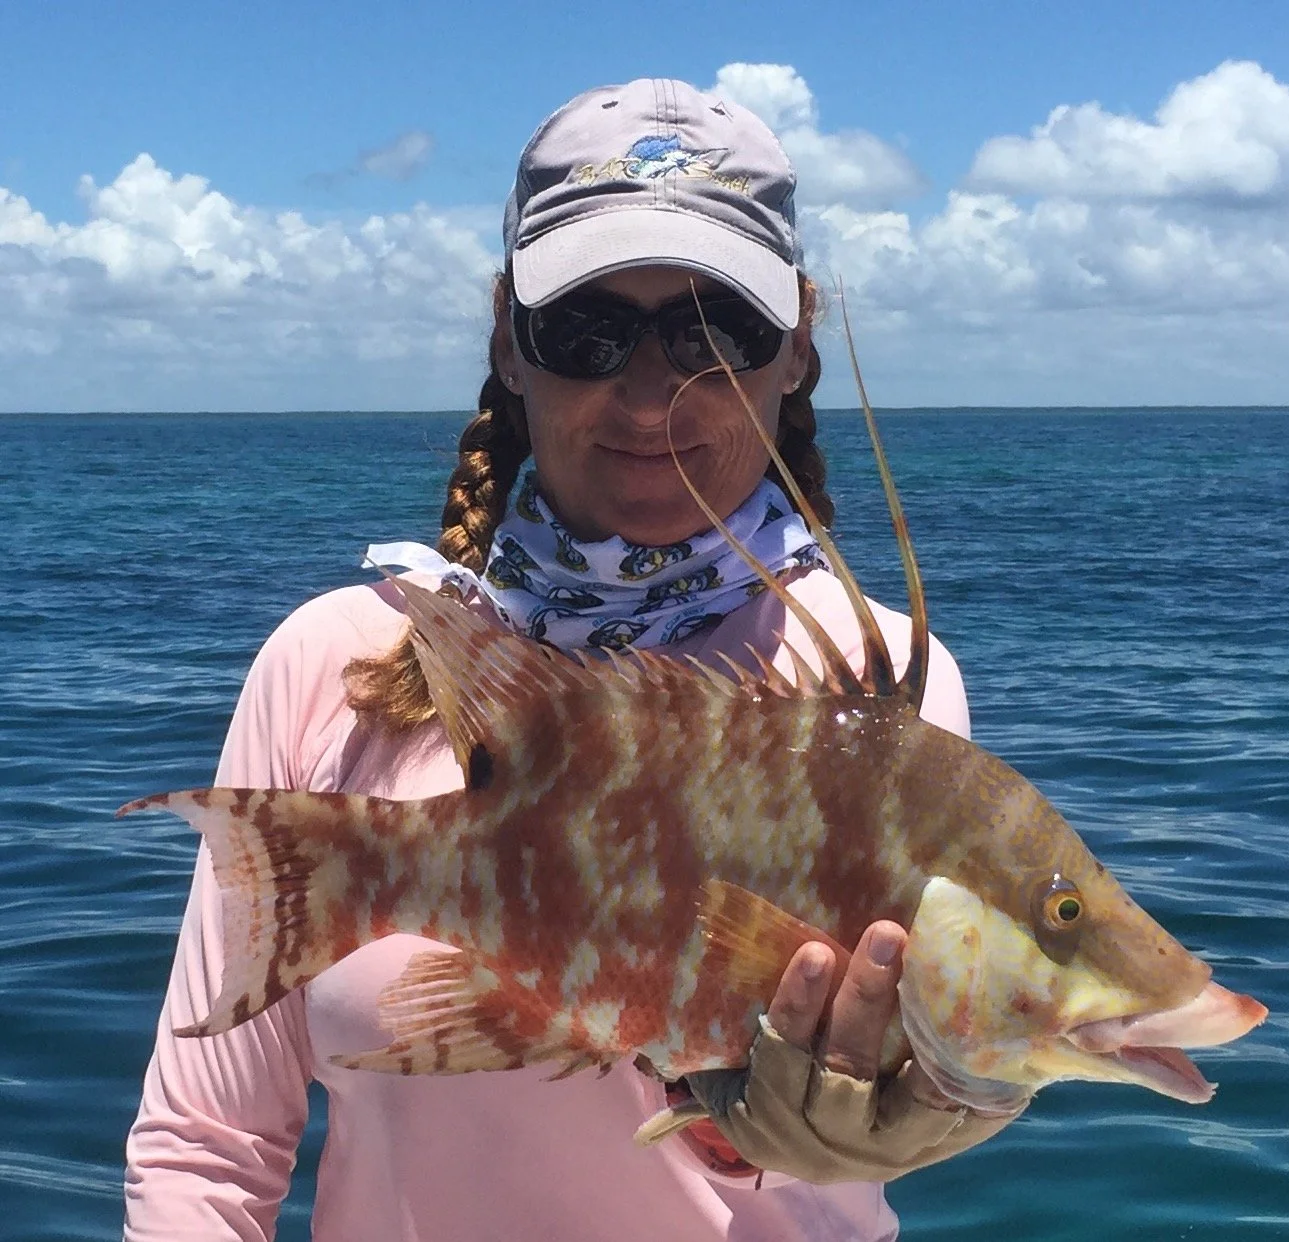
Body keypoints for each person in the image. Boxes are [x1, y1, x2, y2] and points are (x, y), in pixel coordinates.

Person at [124, 78, 1021, 1242]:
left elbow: (876, 1115)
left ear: (796, 347)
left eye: (715, 333)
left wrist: (884, 1112)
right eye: (589, 332)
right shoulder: (333, 664)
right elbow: (207, 1150)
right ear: (509, 337)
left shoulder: (875, 686)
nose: (651, 395)